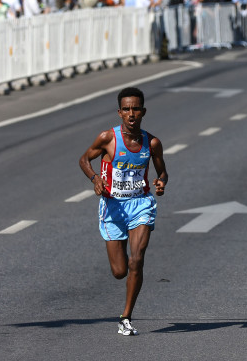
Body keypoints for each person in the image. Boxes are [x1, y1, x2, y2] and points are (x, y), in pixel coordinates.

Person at [78, 87, 168, 336]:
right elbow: (84, 159)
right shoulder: (108, 138)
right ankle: (125, 289)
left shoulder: (152, 143)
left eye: (136, 109)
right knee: (119, 271)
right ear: (119, 112)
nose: (131, 114)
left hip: (140, 205)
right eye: (126, 109)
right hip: (113, 207)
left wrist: (161, 183)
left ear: (143, 112)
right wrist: (95, 179)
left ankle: (126, 317)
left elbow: (163, 172)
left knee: (136, 260)